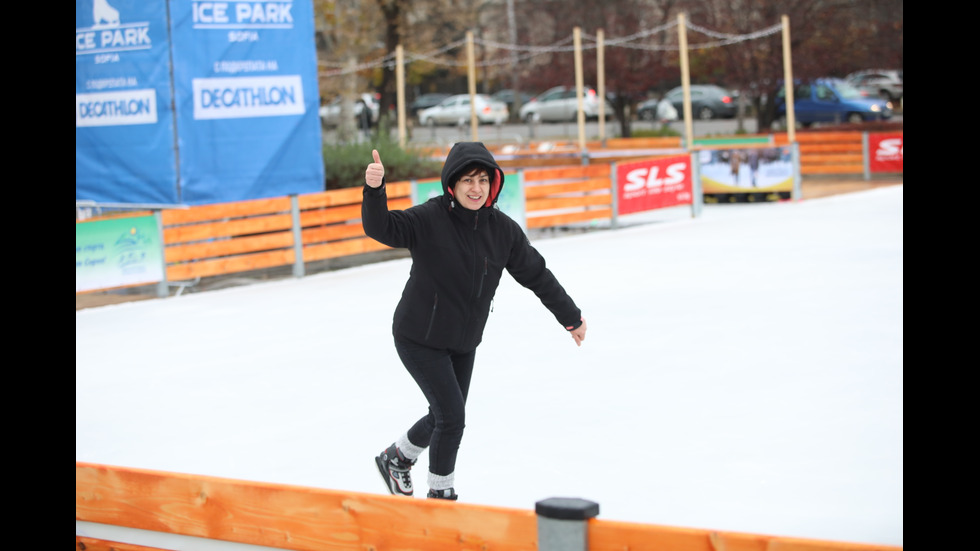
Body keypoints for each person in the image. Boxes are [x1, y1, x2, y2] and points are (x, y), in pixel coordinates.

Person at [363, 142, 587, 501]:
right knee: (451, 418)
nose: (476, 188)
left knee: (443, 414)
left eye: (483, 180)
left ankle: (396, 459)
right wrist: (375, 191)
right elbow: (382, 227)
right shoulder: (429, 219)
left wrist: (570, 316)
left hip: (463, 340)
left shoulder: (502, 230)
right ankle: (441, 496)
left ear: (493, 185)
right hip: (418, 336)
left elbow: (536, 274)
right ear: (452, 184)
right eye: (467, 179)